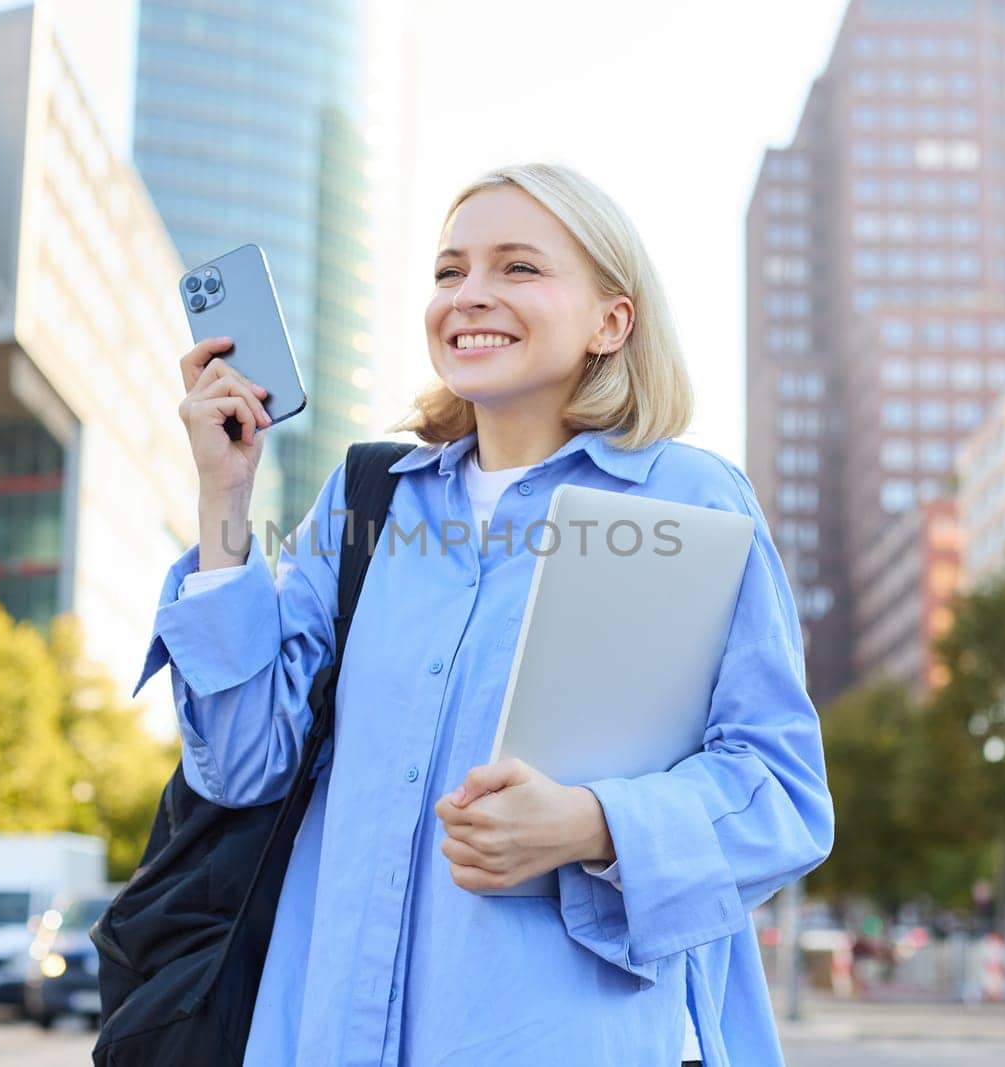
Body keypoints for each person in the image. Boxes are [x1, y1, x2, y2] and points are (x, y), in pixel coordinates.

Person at [136, 163, 834, 1066]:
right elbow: (238, 766)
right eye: (448, 271)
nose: (470, 296)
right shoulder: (364, 505)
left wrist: (591, 823)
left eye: (517, 268)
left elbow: (783, 793)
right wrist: (225, 499)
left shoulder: (688, 499)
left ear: (610, 322)